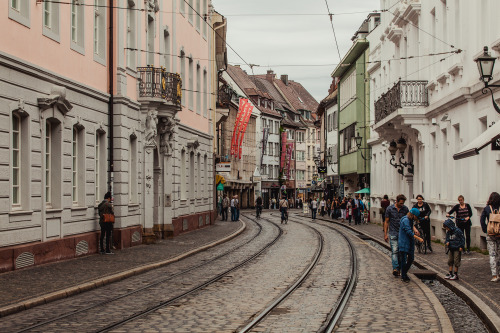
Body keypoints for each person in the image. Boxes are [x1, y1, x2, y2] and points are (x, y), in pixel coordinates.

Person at [384, 194, 410, 277]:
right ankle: (395, 268)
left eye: (403, 203)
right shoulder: (390, 209)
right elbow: (386, 221)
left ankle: (400, 268)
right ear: (397, 201)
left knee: (401, 252)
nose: (402, 205)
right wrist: (385, 234)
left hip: (403, 234)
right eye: (400, 203)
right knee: (394, 251)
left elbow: (409, 221)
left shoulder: (405, 209)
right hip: (393, 233)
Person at [398, 208, 423, 283]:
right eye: (417, 217)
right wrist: (418, 238)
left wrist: (415, 230)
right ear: (413, 215)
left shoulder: (410, 220)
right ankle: (403, 275)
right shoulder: (405, 220)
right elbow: (408, 232)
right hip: (404, 242)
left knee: (411, 259)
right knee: (404, 260)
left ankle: (404, 273)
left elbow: (411, 228)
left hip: (410, 242)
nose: (417, 219)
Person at [480, 192, 500, 282]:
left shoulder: (487, 208)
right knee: (499, 254)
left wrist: (485, 230)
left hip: (490, 234)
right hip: (499, 234)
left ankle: (495, 275)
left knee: (492, 254)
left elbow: (482, 220)